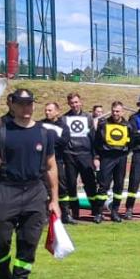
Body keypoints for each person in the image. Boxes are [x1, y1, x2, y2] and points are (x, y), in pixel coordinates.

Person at [0, 88, 60, 279]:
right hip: (7, 190)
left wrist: (55, 200)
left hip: (35, 192)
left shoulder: (45, 134)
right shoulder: (1, 133)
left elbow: (51, 168)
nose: (27, 108)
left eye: (30, 103)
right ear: (12, 104)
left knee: (28, 245)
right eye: (22, 103)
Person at [57, 93, 96, 222]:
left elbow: (93, 138)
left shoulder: (88, 117)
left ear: (80, 102)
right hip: (70, 156)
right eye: (72, 102)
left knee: (90, 184)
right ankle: (74, 212)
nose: (74, 104)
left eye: (76, 102)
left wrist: (96, 156)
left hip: (85, 155)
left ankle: (95, 210)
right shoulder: (63, 119)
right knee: (71, 185)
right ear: (69, 104)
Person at [93, 101, 132, 221]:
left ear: (122, 111)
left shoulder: (128, 125)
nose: (115, 113)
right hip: (107, 157)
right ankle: (99, 213)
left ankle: (115, 212)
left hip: (121, 158)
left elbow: (131, 142)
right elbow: (97, 142)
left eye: (118, 111)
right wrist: (97, 157)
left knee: (119, 186)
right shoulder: (103, 124)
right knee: (103, 186)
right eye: (114, 111)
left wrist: (125, 153)